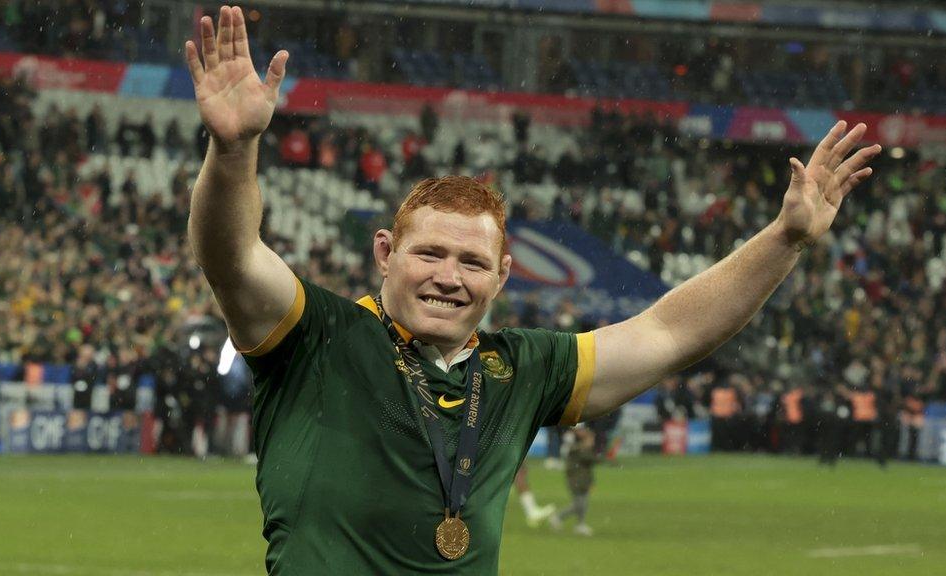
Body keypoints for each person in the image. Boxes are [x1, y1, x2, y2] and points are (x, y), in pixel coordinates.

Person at [184, 6, 880, 574]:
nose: (449, 277)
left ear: (502, 276)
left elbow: (669, 334)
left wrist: (784, 239)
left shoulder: (522, 369)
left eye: (471, 262)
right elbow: (232, 256)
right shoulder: (318, 338)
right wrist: (236, 149)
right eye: (429, 253)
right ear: (386, 254)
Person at [548, 426, 598, 536]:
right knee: (579, 504)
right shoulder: (575, 447)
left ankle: (580, 524)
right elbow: (589, 458)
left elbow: (591, 461)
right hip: (576, 479)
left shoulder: (580, 447)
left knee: (583, 503)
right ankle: (558, 517)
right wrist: (587, 446)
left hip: (584, 479)